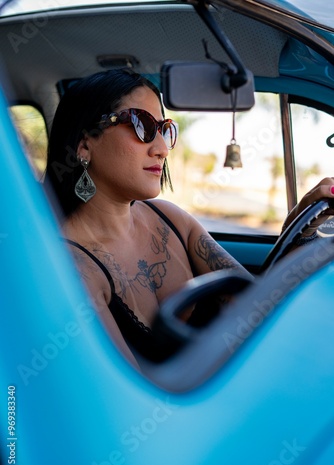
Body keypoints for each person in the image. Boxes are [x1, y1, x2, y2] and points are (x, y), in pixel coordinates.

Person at [44, 68, 334, 367]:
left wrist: (300, 227)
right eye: (141, 126)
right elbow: (125, 394)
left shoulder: (171, 220)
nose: (161, 150)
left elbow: (257, 311)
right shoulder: (73, 268)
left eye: (164, 129)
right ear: (85, 144)